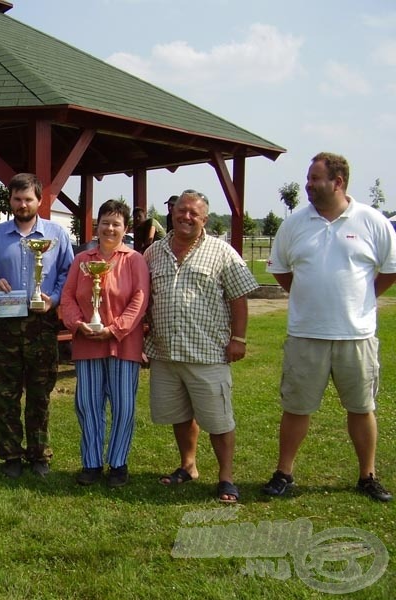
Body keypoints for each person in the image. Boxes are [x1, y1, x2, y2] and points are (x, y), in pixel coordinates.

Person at [262, 152, 396, 502]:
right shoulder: (294, 224)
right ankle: (284, 473)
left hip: (357, 335)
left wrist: (362, 297)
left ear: (337, 182)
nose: (308, 184)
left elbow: (390, 268)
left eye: (314, 178)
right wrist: (309, 296)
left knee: (361, 408)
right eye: (308, 178)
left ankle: (367, 476)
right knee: (296, 408)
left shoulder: (371, 220)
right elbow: (280, 268)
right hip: (306, 334)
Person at [145, 190, 257, 503]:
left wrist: (239, 338)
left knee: (219, 420)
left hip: (207, 353)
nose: (187, 217)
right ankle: (188, 466)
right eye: (182, 210)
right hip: (166, 353)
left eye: (194, 213)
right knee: (180, 415)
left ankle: (226, 478)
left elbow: (239, 298)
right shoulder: (153, 253)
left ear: (204, 219)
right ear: (173, 212)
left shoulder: (223, 253)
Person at [0, 173, 73, 478]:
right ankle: (10, 455)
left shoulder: (57, 235)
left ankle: (39, 454)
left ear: (39, 201)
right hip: (4, 323)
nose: (23, 204)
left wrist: (55, 298)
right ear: (10, 201)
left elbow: (68, 273)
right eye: (18, 199)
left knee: (39, 392)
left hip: (41, 322)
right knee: (3, 392)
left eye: (28, 199)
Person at [60, 199, 149, 487]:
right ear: (97, 226)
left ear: (125, 228)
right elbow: (68, 297)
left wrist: (115, 329)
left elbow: (139, 299)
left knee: (123, 406)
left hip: (124, 344)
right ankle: (92, 463)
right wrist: (77, 324)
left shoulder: (134, 260)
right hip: (87, 342)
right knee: (87, 404)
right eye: (105, 222)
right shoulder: (82, 260)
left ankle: (119, 463)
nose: (110, 228)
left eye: (116, 223)